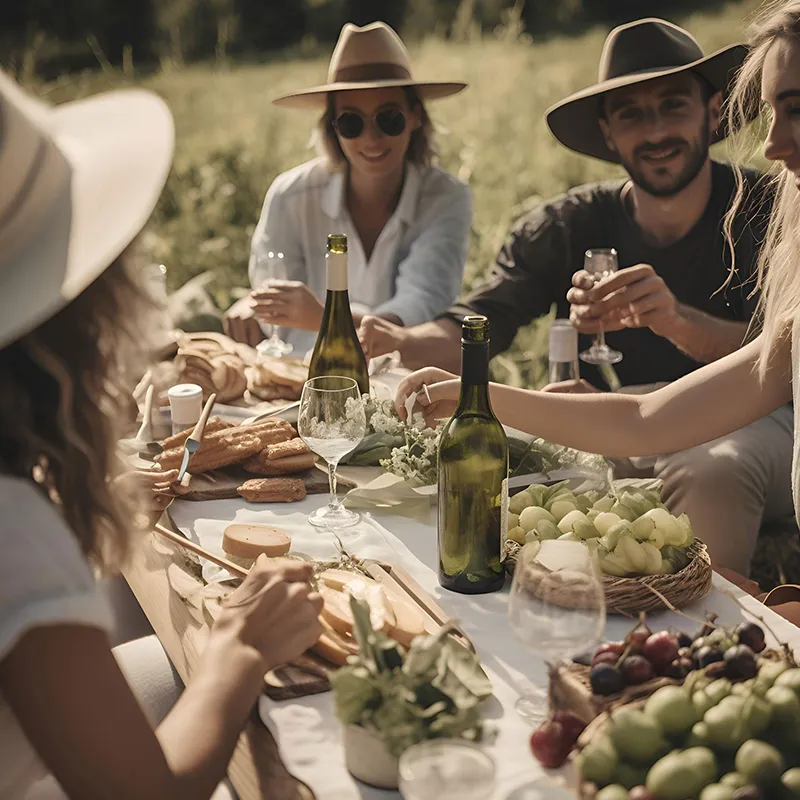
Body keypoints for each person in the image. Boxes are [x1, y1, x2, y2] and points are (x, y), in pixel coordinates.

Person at [396, 1, 800, 623]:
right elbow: (638, 416)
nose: (772, 146)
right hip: (657, 414)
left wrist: (675, 321)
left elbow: (771, 381)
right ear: (608, 132)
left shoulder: (769, 208)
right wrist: (452, 379)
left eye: (672, 105)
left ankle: (700, 624)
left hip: (754, 432)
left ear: (713, 110)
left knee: (707, 465)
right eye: (632, 113)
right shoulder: (570, 223)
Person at [0, 71, 323, 799]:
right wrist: (240, 648)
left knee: (166, 650)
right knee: (273, 743)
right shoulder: (15, 530)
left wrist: (78, 515)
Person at [224, 21, 472, 355]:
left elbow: (420, 304)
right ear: (333, 127)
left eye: (388, 118)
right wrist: (254, 305)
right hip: (298, 370)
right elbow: (272, 298)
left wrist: (326, 318)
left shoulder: (446, 198)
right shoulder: (290, 196)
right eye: (351, 122)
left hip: (399, 373)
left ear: (415, 116)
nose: (371, 138)